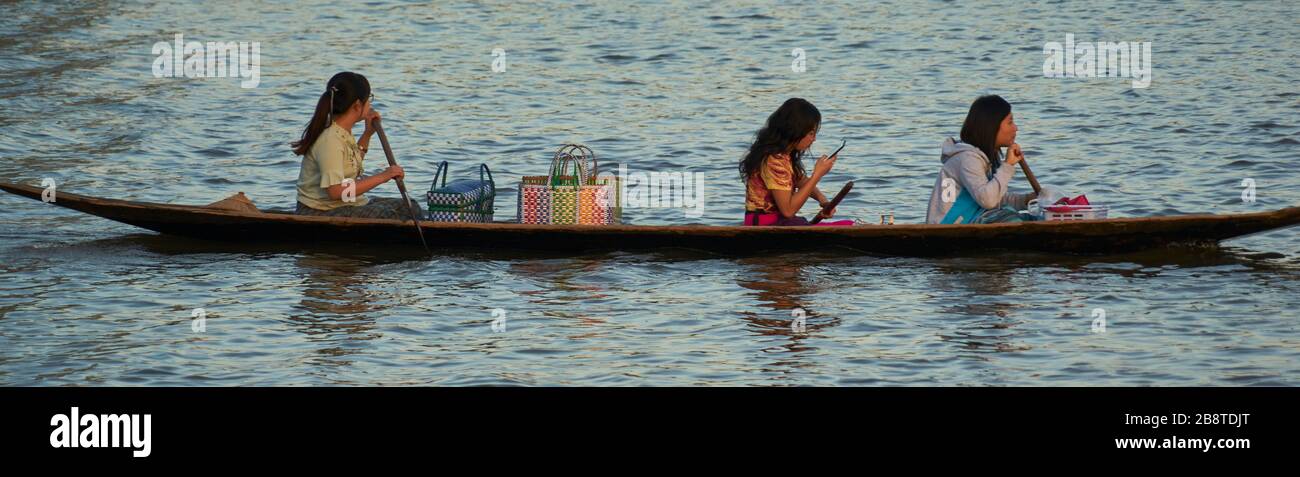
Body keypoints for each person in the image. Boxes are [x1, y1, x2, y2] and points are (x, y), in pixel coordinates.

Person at [292, 72, 423, 220]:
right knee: (388, 215)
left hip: (344, 204)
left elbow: (350, 163)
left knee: (410, 206)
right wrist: (384, 176)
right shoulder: (330, 140)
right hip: (319, 210)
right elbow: (335, 191)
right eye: (369, 99)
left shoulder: (342, 132)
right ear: (357, 105)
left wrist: (367, 134)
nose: (370, 105)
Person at [925, 95, 1037, 224]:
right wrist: (1008, 166)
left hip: (970, 219)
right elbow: (988, 200)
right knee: (1012, 219)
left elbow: (995, 198)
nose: (1015, 128)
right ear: (992, 126)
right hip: (948, 227)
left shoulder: (985, 157)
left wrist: (1029, 199)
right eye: (1010, 122)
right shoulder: (968, 159)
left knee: (1032, 218)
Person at [740, 98, 852, 226]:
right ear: (795, 131)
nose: (814, 139)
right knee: (847, 224)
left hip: (777, 224)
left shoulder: (784, 155)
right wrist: (817, 175)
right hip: (765, 225)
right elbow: (788, 211)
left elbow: (801, 180)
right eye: (811, 133)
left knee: (846, 223)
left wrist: (823, 201)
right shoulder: (773, 160)